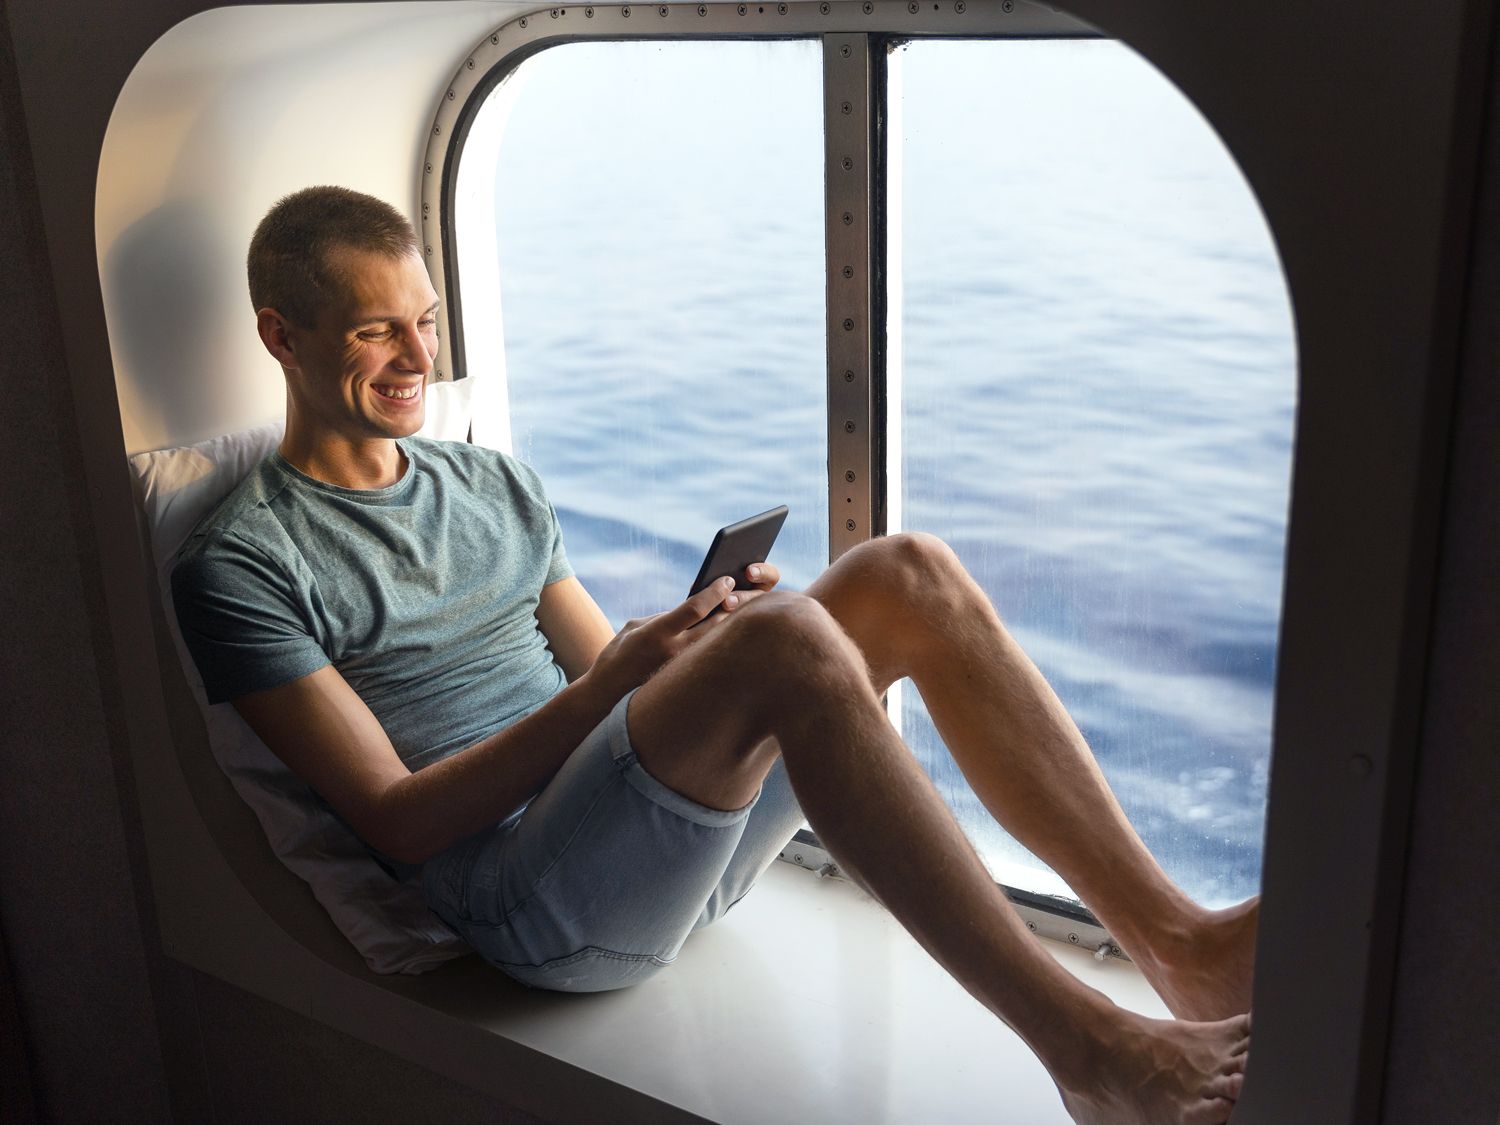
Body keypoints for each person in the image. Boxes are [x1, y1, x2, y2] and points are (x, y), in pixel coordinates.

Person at [173, 185, 1256, 1124]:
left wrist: (702, 647)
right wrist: (635, 681)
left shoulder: (493, 483)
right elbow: (397, 818)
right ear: (283, 336)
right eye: (375, 332)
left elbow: (613, 695)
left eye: (426, 321)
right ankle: (1089, 1052)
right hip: (533, 912)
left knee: (901, 572)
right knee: (788, 639)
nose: (419, 360)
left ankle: (1178, 949)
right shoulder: (244, 563)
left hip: (652, 858)